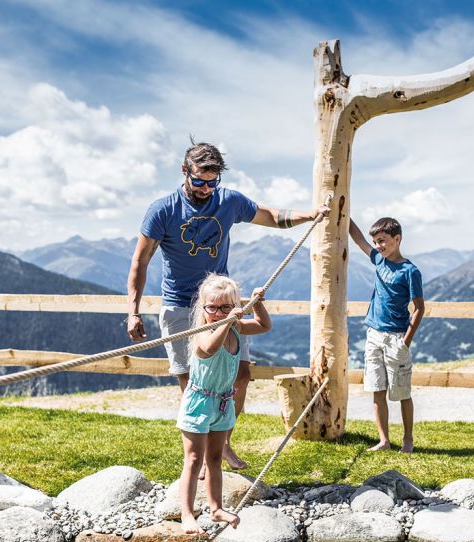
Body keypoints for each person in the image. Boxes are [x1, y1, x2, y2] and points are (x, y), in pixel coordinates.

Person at [128, 142, 329, 472]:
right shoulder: (162, 210)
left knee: (241, 374)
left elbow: (271, 216)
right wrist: (133, 310)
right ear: (184, 172)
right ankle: (202, 455)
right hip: (181, 306)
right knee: (193, 383)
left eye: (212, 182)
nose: (206, 189)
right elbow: (140, 260)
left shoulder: (229, 201)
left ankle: (222, 445)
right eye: (199, 181)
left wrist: (312, 214)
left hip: (223, 304)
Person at [175, 274, 272, 534]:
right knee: (194, 460)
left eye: (225, 307)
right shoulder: (202, 333)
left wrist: (257, 302)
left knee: (215, 458)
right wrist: (228, 321)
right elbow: (208, 348)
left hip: (222, 403)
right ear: (203, 309)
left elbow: (264, 325)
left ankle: (216, 508)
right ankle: (186, 514)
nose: (218, 313)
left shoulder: (236, 329)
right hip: (199, 403)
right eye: (212, 308)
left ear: (234, 306)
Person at [348, 217, 425, 453]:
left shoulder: (410, 271)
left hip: (396, 338)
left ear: (397, 239)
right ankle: (384, 440)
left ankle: (408, 440)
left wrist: (406, 341)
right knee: (376, 389)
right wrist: (343, 209)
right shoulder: (378, 260)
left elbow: (419, 308)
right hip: (374, 335)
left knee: (402, 392)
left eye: (382, 241)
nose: (378, 245)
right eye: (376, 242)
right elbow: (357, 237)